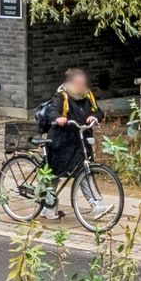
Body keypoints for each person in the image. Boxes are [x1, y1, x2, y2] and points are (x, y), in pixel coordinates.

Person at [36, 67, 99, 206]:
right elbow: (53, 110)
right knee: (55, 175)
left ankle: (96, 205)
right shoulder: (61, 96)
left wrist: (93, 117)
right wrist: (58, 118)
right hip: (61, 142)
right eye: (78, 83)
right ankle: (47, 206)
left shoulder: (87, 96)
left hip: (79, 141)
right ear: (70, 83)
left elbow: (97, 111)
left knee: (83, 172)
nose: (81, 86)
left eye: (83, 83)